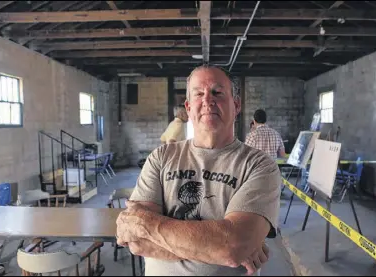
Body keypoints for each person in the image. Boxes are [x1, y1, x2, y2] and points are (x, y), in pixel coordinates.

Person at [115, 65, 281, 276]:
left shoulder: (260, 165)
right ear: (189, 107)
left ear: (236, 105)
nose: (208, 100)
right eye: (199, 94)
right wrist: (217, 248)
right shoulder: (161, 157)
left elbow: (233, 247)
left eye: (217, 92)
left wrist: (147, 225)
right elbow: (137, 242)